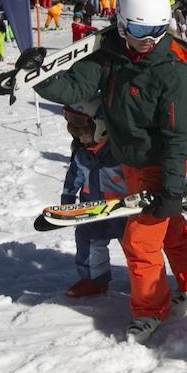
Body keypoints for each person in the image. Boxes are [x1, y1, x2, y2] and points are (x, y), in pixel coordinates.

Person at [32, 0, 187, 343]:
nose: (148, 41)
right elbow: (75, 87)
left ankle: (149, 310)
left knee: (140, 240)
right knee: (170, 228)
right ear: (121, 24)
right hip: (130, 162)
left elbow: (179, 140)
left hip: (163, 163)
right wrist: (42, 75)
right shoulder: (111, 55)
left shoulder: (173, 75)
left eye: (157, 32)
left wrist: (172, 187)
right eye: (140, 32)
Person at [60, 99, 128, 298]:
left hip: (125, 210)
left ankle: (145, 280)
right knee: (88, 242)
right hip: (93, 211)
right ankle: (94, 280)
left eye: (83, 133)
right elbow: (74, 178)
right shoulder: (82, 155)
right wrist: (68, 199)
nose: (80, 139)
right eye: (75, 135)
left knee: (137, 248)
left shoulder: (120, 153)